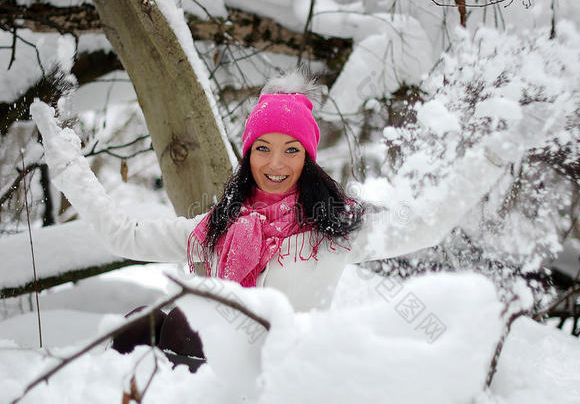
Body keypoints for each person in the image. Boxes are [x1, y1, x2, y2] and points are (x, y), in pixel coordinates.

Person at [30, 70, 514, 372]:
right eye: (262, 148)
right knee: (133, 330)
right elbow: (122, 233)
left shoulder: (336, 231)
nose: (275, 163)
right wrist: (67, 162)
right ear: (247, 154)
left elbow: (426, 225)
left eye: (291, 150)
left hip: (270, 375)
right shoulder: (214, 227)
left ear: (308, 156)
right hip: (186, 364)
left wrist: (492, 157)